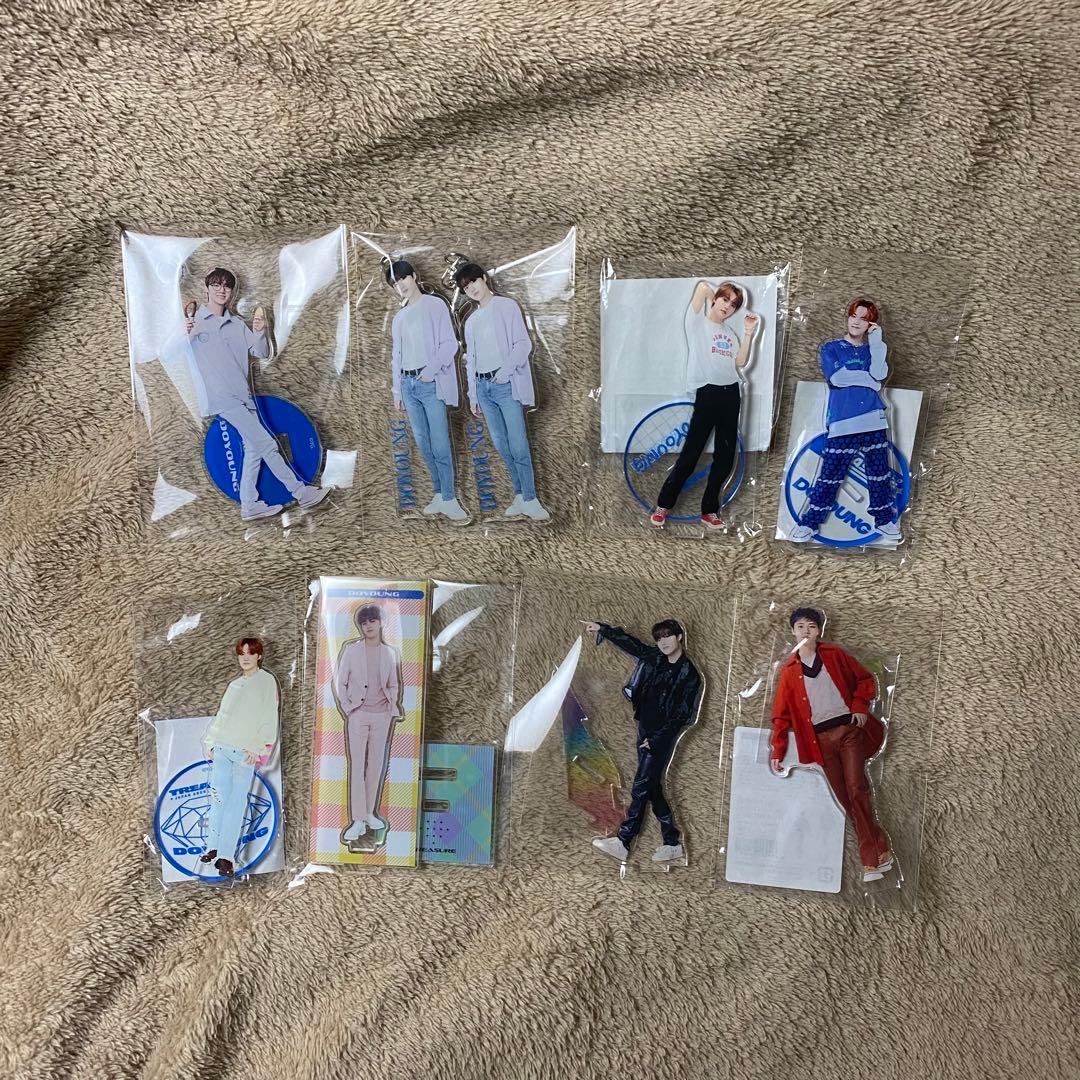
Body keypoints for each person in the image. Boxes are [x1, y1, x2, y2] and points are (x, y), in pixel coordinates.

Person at [185, 267, 328, 521]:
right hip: (222, 398)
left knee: (253, 450)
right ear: (206, 287)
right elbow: (170, 351)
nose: (221, 290)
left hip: (244, 395)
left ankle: (249, 505)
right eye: (216, 285)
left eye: (227, 286)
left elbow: (261, 352)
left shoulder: (237, 324)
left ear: (232, 291)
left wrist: (260, 331)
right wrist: (185, 332)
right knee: (267, 444)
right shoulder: (194, 322)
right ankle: (300, 492)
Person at [769, 607, 893, 882]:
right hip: (819, 743)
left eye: (811, 626)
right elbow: (781, 716)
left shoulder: (835, 655)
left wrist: (859, 706)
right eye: (800, 626)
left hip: (848, 732)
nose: (806, 631)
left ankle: (869, 862)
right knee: (845, 799)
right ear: (792, 631)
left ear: (819, 630)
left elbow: (864, 679)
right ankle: (880, 847)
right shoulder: (789, 671)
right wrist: (778, 749)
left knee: (857, 788)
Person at [582, 618, 702, 863]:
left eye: (667, 636)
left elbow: (682, 716)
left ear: (679, 637)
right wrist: (604, 629)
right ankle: (672, 843)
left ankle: (624, 840)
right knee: (652, 788)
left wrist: (655, 740)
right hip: (644, 728)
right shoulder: (655, 658)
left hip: (660, 736)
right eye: (659, 638)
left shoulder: (689, 675)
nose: (663, 642)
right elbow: (633, 645)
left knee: (640, 786)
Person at [650, 280, 759, 530]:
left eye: (733, 305)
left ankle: (709, 510)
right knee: (692, 452)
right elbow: (701, 287)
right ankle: (664, 504)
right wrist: (714, 298)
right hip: (708, 391)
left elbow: (739, 361)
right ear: (716, 298)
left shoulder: (729, 333)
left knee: (725, 456)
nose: (727, 307)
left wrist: (748, 332)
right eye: (725, 300)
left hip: (731, 393)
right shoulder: (697, 323)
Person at [790, 298, 901, 542]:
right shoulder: (831, 348)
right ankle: (810, 523)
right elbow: (838, 378)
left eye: (864, 318)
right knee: (829, 475)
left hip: (874, 420)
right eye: (854, 316)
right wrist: (869, 381)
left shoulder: (872, 349)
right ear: (848, 317)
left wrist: (877, 342)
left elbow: (879, 374)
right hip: (842, 423)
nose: (857, 322)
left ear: (871, 324)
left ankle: (884, 520)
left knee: (880, 475)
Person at [454, 262, 550, 522]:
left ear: (484, 279)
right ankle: (520, 495)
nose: (471, 289)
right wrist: (473, 395)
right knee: (501, 444)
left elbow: (523, 344)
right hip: (483, 388)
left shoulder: (506, 306)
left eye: (473, 282)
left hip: (505, 385)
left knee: (518, 443)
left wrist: (504, 374)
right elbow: (471, 361)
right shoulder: (471, 321)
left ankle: (531, 498)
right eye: (465, 288)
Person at [387, 260, 469, 522]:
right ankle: (438, 494)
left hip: (430, 383)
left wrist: (429, 372)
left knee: (440, 441)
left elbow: (450, 344)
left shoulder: (434, 305)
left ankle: (450, 498)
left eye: (402, 278)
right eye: (395, 283)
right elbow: (397, 357)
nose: (400, 285)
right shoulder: (399, 318)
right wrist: (397, 391)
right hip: (408, 385)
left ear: (413, 276)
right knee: (423, 442)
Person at [199, 638, 280, 879]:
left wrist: (258, 746)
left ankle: (226, 856)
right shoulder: (234, 685)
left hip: (245, 753)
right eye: (241, 653)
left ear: (259, 656)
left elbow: (269, 715)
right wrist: (210, 741)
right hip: (222, 748)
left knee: (235, 804)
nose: (245, 657)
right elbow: (223, 715)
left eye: (250, 653)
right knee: (218, 800)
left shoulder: (266, 681)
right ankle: (213, 847)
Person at [331, 605, 403, 851]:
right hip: (358, 715)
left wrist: (392, 704)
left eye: (373, 620)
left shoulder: (390, 653)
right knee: (357, 767)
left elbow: (393, 684)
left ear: (381, 623)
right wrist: (348, 708)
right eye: (364, 622)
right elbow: (340, 681)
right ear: (360, 626)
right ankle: (358, 820)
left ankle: (370, 813)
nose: (368, 626)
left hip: (383, 716)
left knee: (376, 766)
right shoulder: (351, 650)